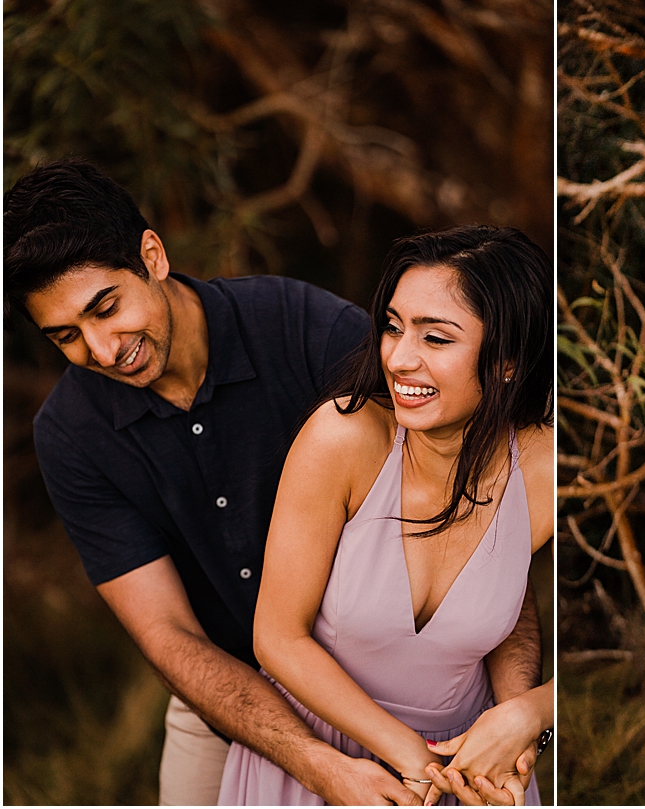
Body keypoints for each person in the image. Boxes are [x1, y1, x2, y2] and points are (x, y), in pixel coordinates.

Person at [4, 160, 542, 805]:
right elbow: (169, 634)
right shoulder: (70, 434)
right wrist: (317, 764)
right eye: (66, 335)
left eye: (106, 308)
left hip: (429, 697)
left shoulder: (306, 330)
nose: (102, 349)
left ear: (152, 254)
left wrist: (521, 722)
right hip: (228, 702)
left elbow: (476, 540)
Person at [218, 226, 555, 805]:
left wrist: (529, 715)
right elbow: (277, 637)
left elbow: (518, 606)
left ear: (507, 362)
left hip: (473, 773)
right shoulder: (342, 438)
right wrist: (414, 759)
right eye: (394, 327)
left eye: (436, 339)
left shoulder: (546, 469)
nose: (399, 357)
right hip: (321, 760)